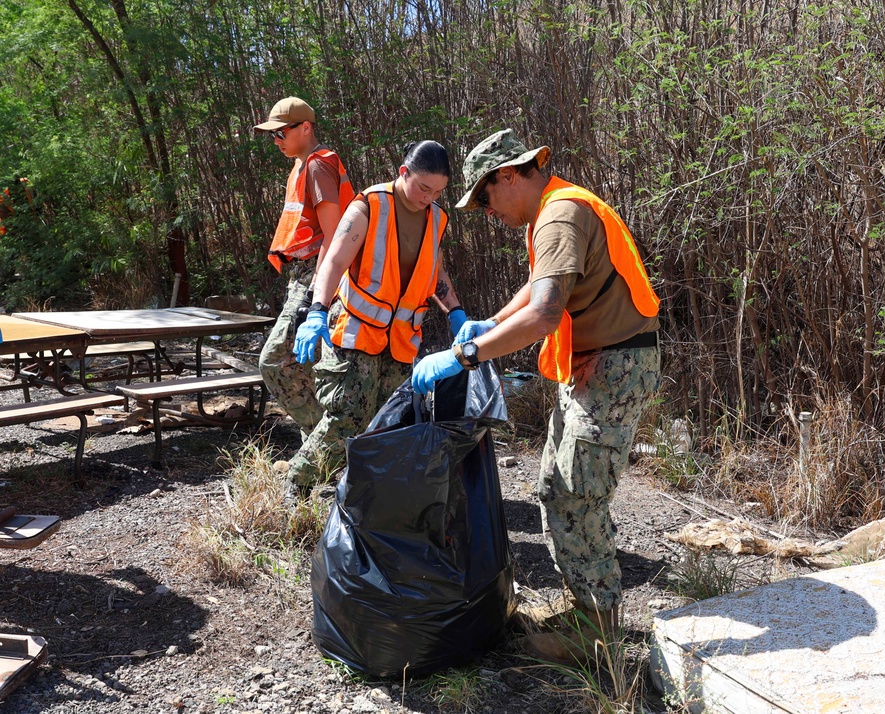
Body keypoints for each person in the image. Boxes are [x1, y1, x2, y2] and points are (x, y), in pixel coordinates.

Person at [412, 129, 661, 664]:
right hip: (595, 366)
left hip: (614, 370)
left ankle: (595, 635)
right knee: (554, 485)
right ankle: (583, 607)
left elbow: (546, 313)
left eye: (485, 198)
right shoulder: (555, 208)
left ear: (507, 175)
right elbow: (542, 285)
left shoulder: (559, 215)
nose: (488, 212)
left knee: (576, 496)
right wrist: (492, 323)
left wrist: (465, 355)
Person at [290, 140, 468, 493]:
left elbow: (435, 272)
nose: (429, 197)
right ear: (403, 173)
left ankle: (366, 495)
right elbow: (334, 261)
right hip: (356, 330)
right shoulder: (370, 206)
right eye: (423, 187)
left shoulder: (437, 218)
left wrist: (456, 313)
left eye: (437, 192)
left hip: (400, 340)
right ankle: (296, 484)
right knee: (349, 416)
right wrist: (316, 311)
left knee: (388, 420)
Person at [253, 96, 355, 449]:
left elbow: (334, 235)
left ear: (306, 127)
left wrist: (315, 298)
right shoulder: (300, 165)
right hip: (302, 273)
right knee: (304, 366)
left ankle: (330, 444)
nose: (276, 140)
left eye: (281, 132)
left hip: (316, 273)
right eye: (272, 135)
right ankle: (322, 457)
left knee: (273, 362)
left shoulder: (318, 165)